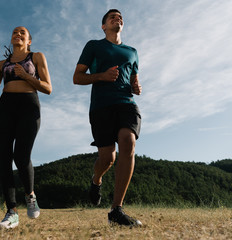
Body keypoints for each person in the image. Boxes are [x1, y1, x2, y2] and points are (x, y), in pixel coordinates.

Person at [73, 9, 142, 227]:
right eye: (112, 17)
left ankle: (116, 210)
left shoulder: (132, 51)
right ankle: (96, 180)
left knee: (128, 141)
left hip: (126, 103)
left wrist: (136, 86)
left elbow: (134, 78)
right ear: (103, 26)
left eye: (120, 17)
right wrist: (102, 76)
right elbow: (77, 78)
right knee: (107, 158)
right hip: (101, 107)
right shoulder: (94, 46)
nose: (117, 19)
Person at [0, 26, 52, 229]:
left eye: (23, 32)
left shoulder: (37, 57)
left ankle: (30, 195)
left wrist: (25, 75)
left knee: (21, 156)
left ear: (29, 41)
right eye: (15, 32)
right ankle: (11, 211)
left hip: (29, 106)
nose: (18, 34)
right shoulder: (1, 63)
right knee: (3, 157)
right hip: (5, 107)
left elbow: (48, 87)